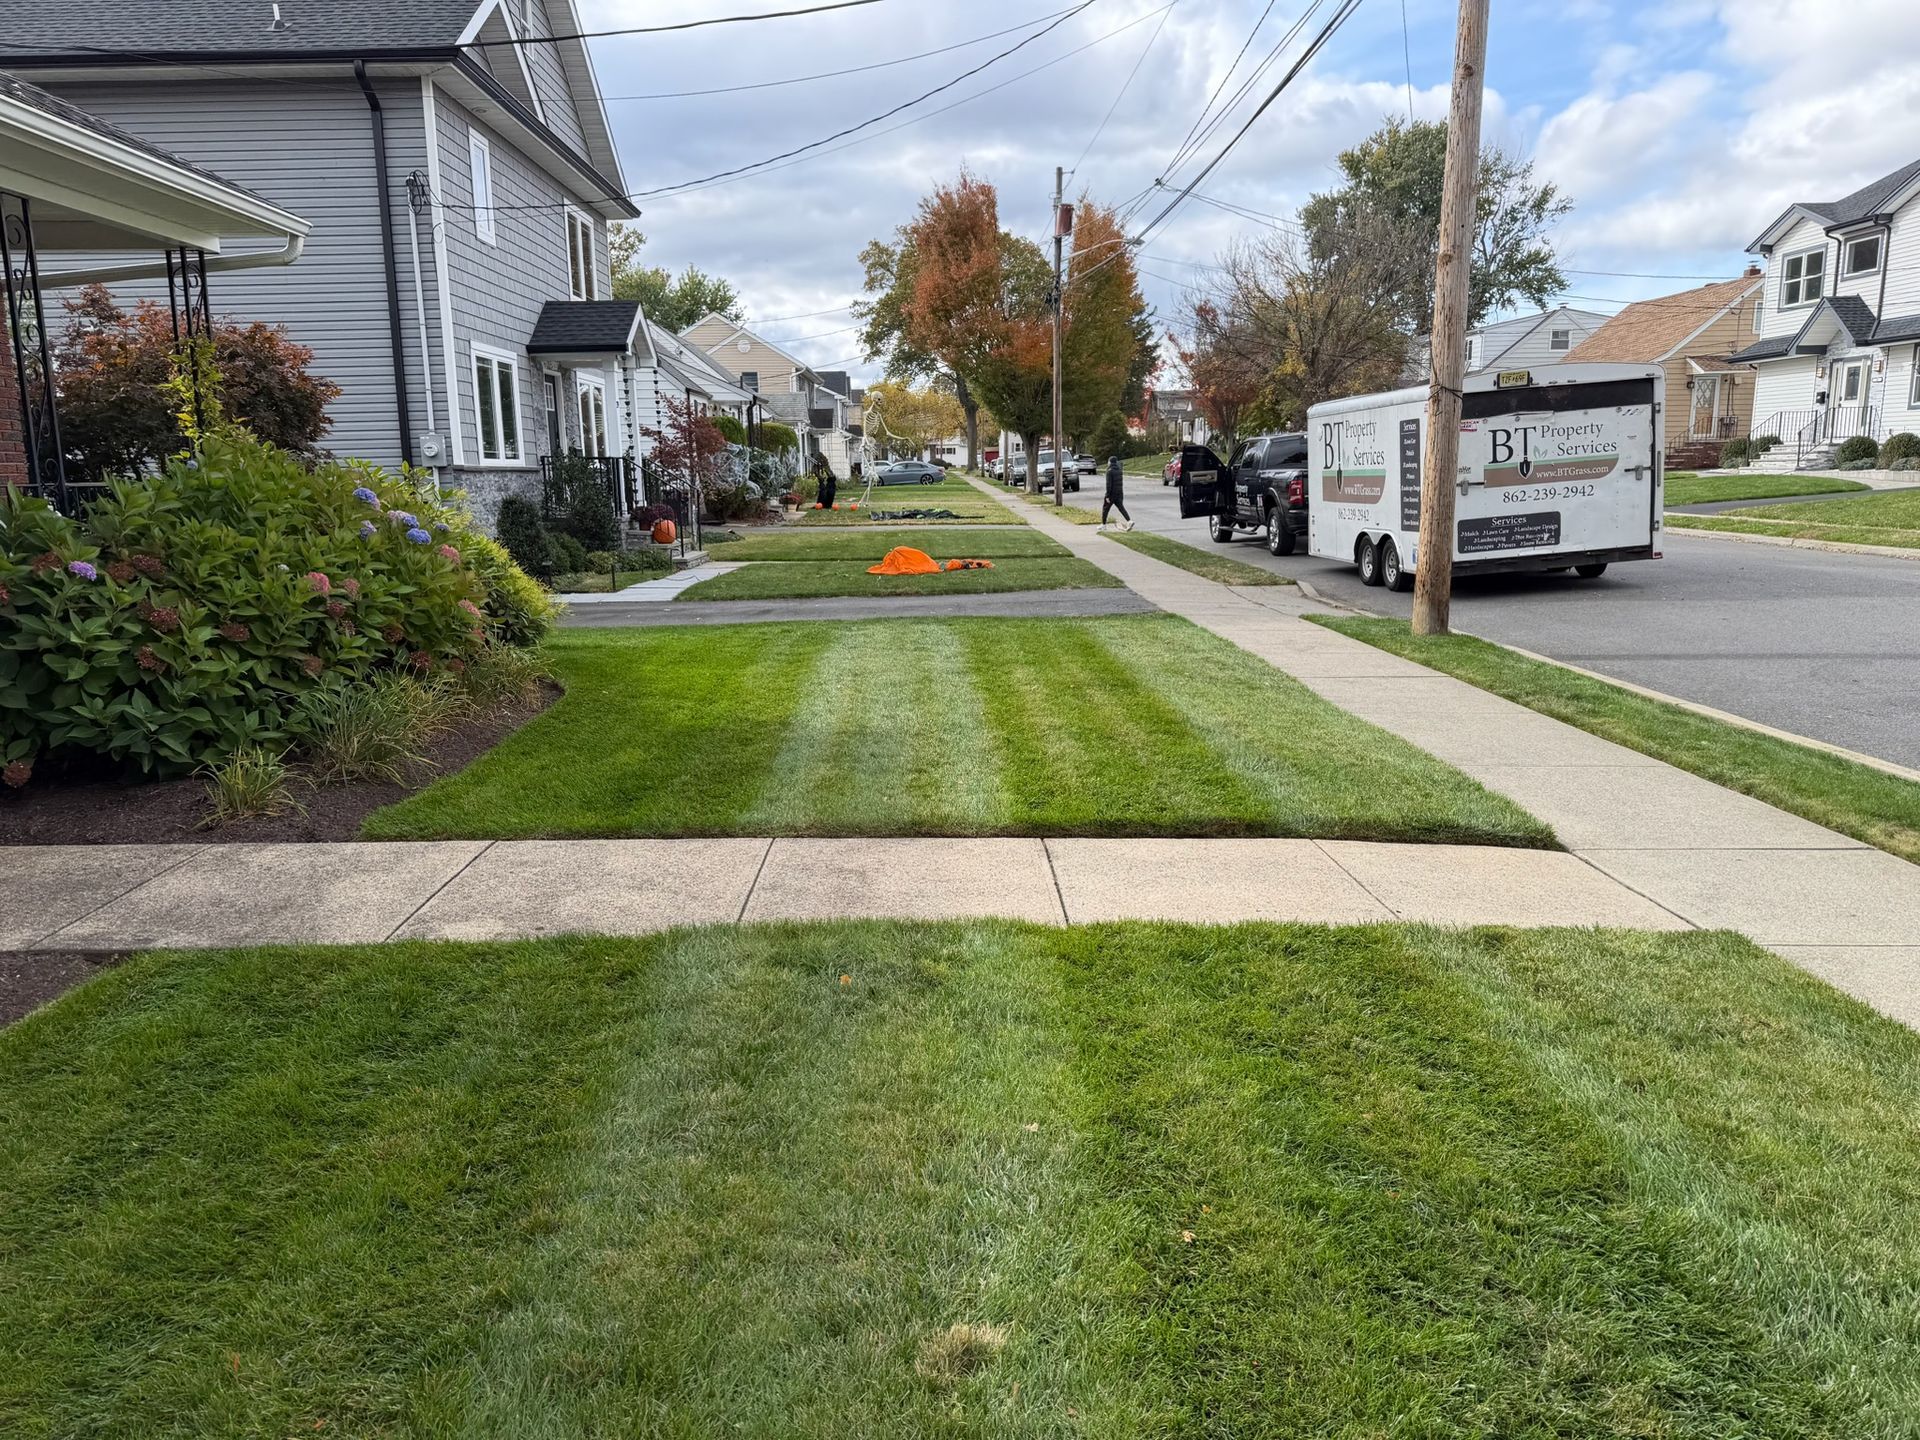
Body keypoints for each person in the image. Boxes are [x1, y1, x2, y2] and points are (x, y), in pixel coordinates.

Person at [1100, 455, 1132, 530]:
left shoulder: (1109, 471)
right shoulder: (1119, 470)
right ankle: (1129, 521)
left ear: (1110, 462)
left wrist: (1107, 495)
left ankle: (1103, 525)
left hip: (1111, 494)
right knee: (1121, 507)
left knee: (1105, 508)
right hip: (1119, 493)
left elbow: (1109, 484)